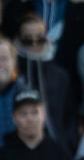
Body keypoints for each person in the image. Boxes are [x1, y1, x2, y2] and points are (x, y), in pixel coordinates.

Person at [14, 13, 77, 148]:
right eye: (28, 40)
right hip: (16, 146)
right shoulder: (13, 70)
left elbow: (70, 114)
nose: (34, 44)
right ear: (18, 40)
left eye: (40, 39)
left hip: (55, 145)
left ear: (47, 39)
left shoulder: (60, 74)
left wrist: (68, 143)